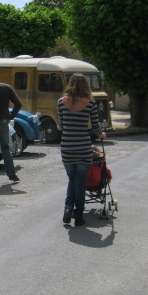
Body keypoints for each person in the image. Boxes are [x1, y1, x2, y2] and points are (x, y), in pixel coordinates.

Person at [58, 73, 106, 227]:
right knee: (80, 183)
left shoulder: (61, 102)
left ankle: (67, 209)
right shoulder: (90, 104)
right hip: (83, 147)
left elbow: (62, 125)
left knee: (71, 180)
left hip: (67, 147)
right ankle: (78, 216)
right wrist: (101, 134)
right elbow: (96, 126)